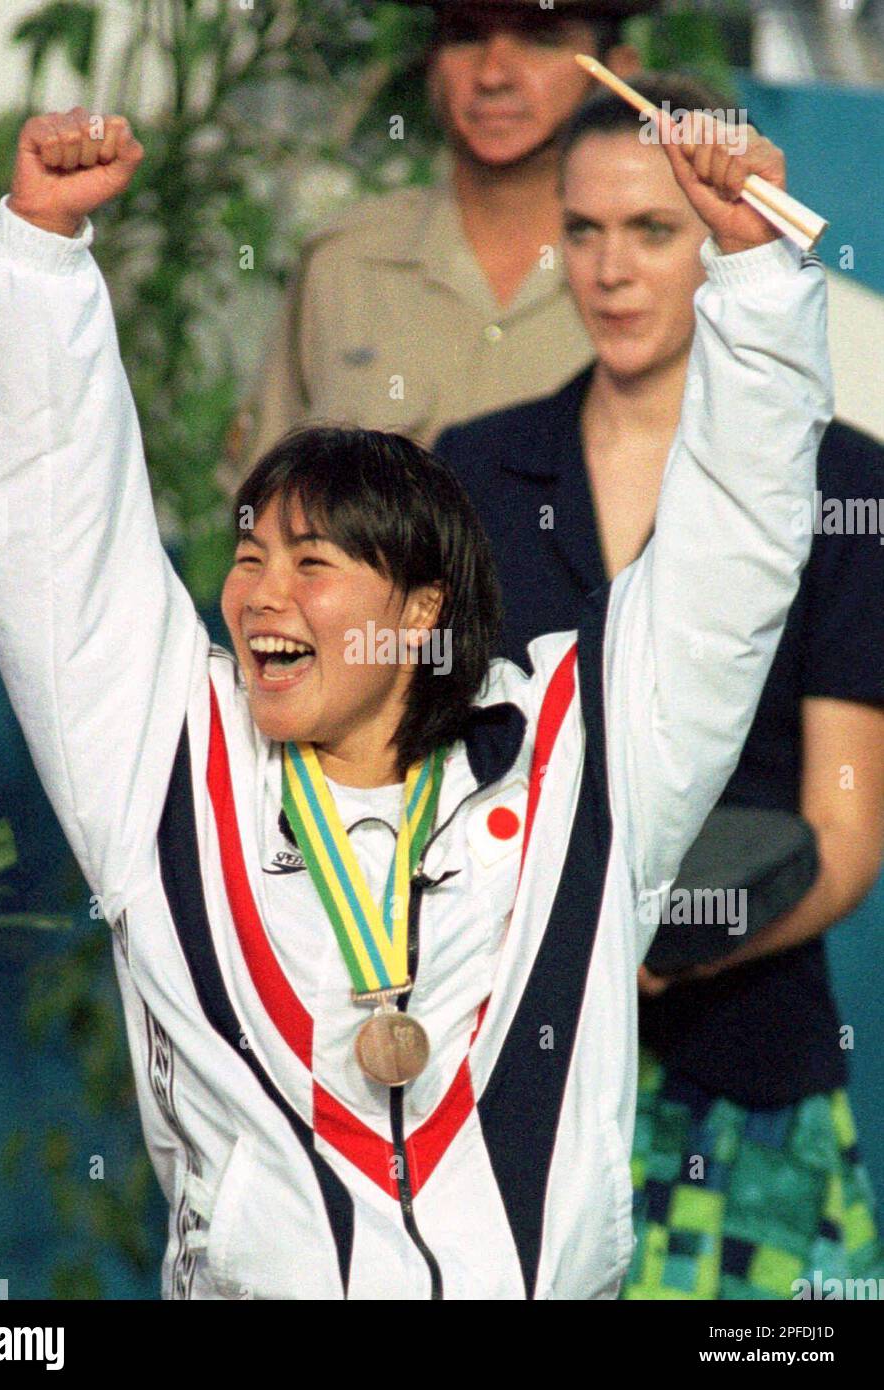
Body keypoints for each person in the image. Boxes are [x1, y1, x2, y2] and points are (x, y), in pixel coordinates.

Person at [0, 102, 830, 1301]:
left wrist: (753, 273)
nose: (261, 594)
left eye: (313, 565)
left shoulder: (579, 761)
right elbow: (53, 547)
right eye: (249, 555)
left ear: (417, 613)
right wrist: (42, 258)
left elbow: (729, 555)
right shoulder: (168, 765)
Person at [435, 74, 884, 1299]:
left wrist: (648, 941)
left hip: (743, 1088)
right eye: (581, 231)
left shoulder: (841, 484)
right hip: (500, 1076)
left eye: (650, 230)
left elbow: (844, 835)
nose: (610, 270)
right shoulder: (470, 472)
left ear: (718, 233)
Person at [220, 0, 657, 490]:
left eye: (540, 38)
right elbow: (268, 507)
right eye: (466, 36)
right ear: (430, 64)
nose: (493, 74)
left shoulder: (662, 273)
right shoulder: (345, 262)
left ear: (618, 72)